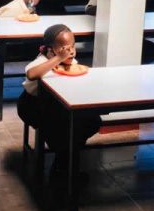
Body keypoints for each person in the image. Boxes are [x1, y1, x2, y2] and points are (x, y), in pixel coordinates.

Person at [17, 24, 101, 186]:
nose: (69, 51)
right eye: (63, 47)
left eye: (72, 46)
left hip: (56, 106)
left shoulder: (69, 58)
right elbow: (31, 74)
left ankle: (64, 163)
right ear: (50, 49)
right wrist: (58, 58)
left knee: (92, 121)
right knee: (64, 131)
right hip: (33, 106)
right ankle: (64, 172)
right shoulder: (42, 60)